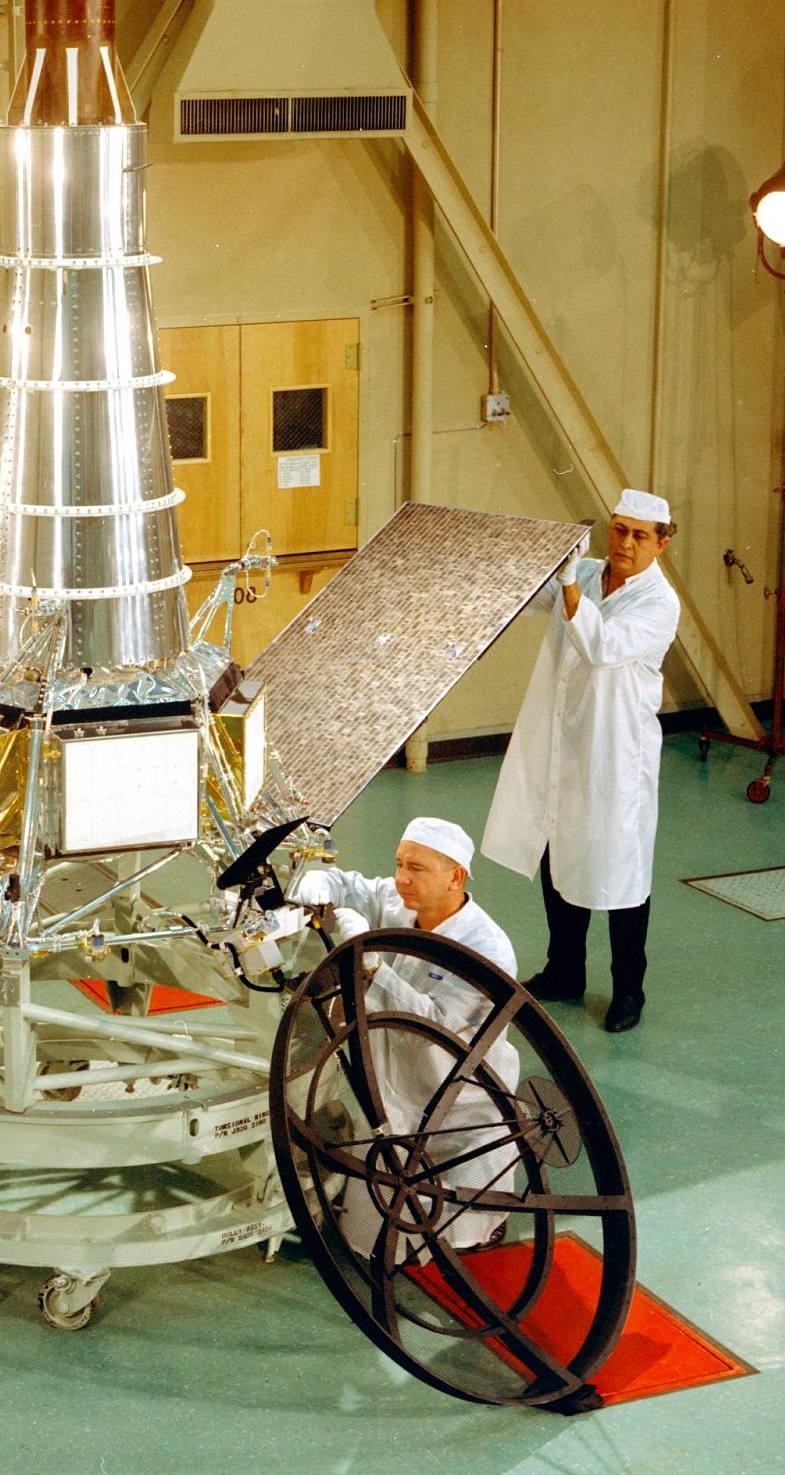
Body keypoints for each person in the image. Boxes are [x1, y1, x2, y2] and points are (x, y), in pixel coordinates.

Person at [481, 490, 682, 1033]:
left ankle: (628, 991)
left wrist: (567, 582)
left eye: (640, 535)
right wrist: (525, 558)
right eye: (619, 529)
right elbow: (530, 597)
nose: (626, 543)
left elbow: (601, 644)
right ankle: (565, 970)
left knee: (619, 871)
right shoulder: (590, 573)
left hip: (616, 755)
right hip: (566, 741)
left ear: (661, 543)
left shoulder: (659, 603)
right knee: (558, 848)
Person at [288, 817, 520, 1259]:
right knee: (371, 1234)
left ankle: (481, 1230)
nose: (401, 878)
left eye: (416, 868)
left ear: (456, 877)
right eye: (399, 863)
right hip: (397, 1086)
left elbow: (435, 1025)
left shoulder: (487, 949)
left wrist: (374, 967)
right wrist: (321, 883)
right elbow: (348, 885)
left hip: (457, 1093)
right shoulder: (400, 902)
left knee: (460, 1220)